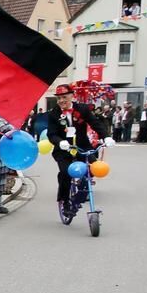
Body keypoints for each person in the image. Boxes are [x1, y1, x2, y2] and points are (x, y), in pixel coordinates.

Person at [46, 84, 113, 215]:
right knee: (65, 173)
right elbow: (51, 134)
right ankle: (65, 201)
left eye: (64, 97)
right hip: (63, 150)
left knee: (92, 169)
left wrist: (106, 137)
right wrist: (60, 142)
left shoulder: (82, 109)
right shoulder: (54, 113)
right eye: (59, 98)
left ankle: (80, 195)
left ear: (72, 96)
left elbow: (96, 123)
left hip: (82, 147)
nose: (61, 101)